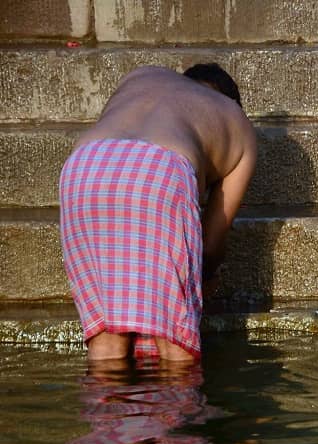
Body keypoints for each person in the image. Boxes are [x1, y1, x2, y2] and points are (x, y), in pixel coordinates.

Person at [59, 64, 258, 364]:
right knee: (175, 342)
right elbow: (212, 244)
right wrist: (199, 281)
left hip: (85, 165)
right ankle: (177, 408)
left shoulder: (142, 76)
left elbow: (122, 176)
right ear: (230, 101)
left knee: (107, 343)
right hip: (161, 170)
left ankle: (104, 408)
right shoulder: (237, 121)